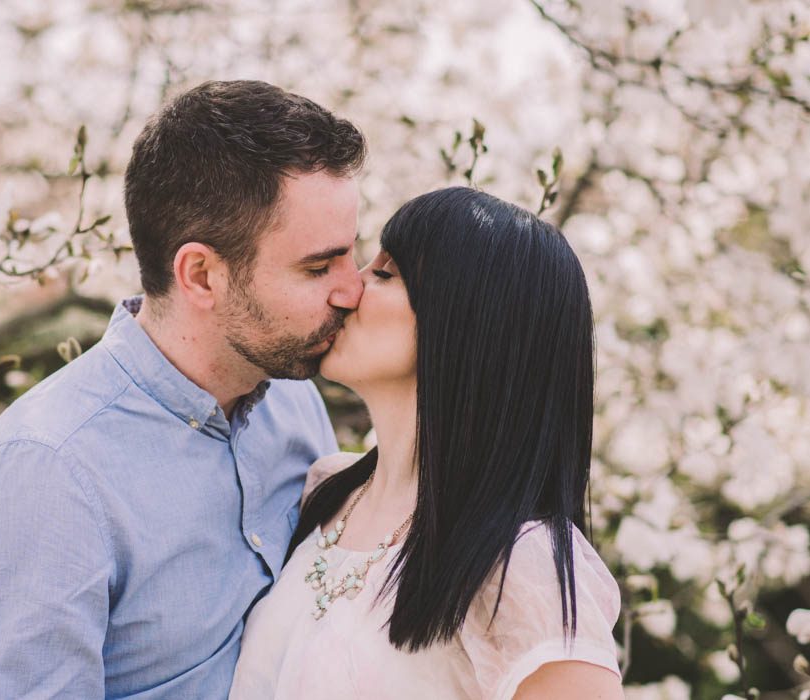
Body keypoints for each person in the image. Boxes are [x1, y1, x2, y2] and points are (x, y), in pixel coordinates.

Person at [0, 80, 367, 699]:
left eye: (350, 256)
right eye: (317, 267)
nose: (351, 289)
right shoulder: (48, 472)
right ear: (201, 274)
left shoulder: (293, 397)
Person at [230, 187, 625, 699]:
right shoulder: (323, 492)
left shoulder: (520, 566)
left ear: (467, 325)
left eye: (386, 274)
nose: (349, 289)